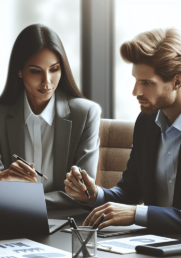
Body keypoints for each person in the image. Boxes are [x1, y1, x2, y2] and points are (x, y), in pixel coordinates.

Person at [65, 28, 181, 232]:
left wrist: (136, 213)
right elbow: (128, 192)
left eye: (147, 83)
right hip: (153, 249)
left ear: (177, 81)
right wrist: (94, 195)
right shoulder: (146, 122)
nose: (136, 92)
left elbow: (132, 209)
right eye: (136, 80)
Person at [0, 24, 101, 208]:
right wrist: (2, 177)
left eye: (54, 69)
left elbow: (82, 191)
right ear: (19, 71)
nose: (47, 81)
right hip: (12, 219)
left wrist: (25, 200)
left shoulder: (86, 114)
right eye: (36, 71)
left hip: (66, 221)